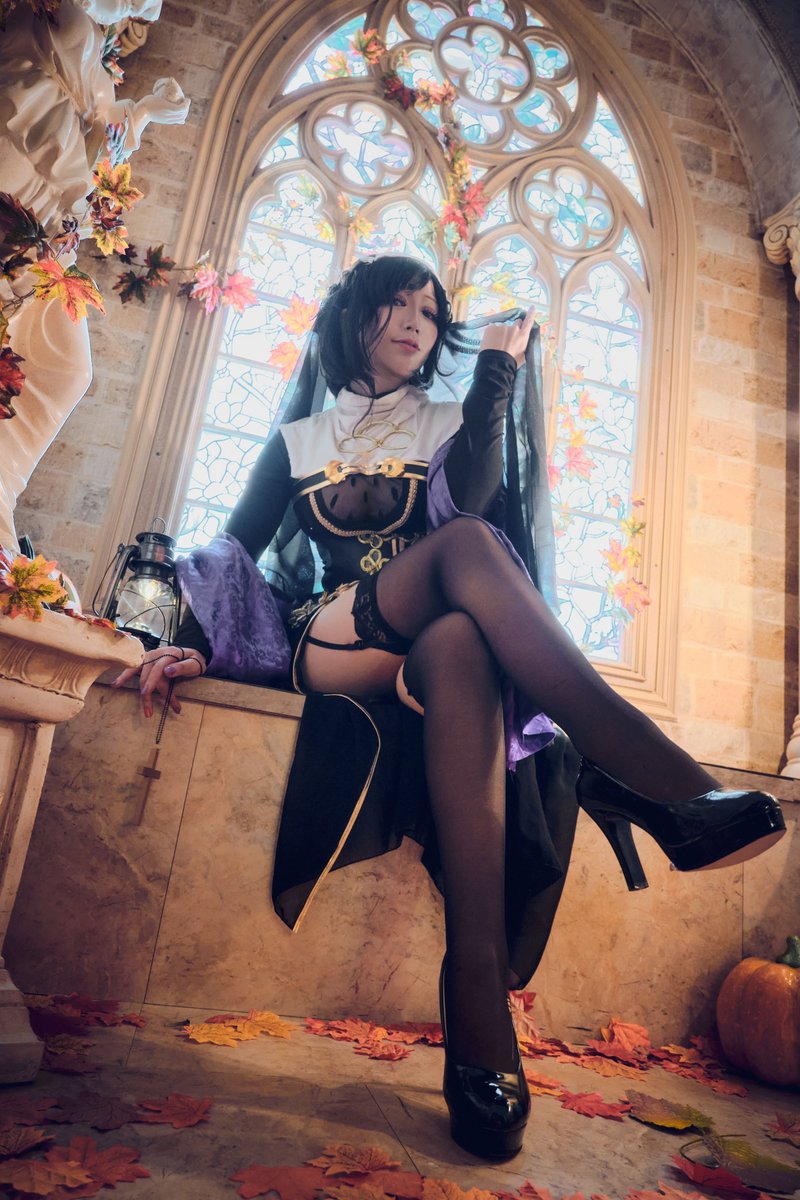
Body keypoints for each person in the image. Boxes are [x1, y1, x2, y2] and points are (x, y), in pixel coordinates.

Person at [113, 255, 785, 1162]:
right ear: (353, 316)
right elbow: (233, 553)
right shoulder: (301, 438)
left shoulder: (443, 419)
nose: (413, 322)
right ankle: (650, 779)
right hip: (332, 638)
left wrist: (495, 376)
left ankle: (477, 1010)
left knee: (465, 633)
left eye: (430, 314)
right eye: (395, 304)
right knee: (464, 549)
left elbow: (473, 498)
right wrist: (193, 643)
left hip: (428, 647)